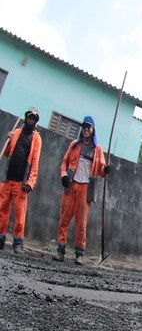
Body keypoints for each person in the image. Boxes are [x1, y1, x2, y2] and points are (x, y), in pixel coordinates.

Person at [52, 116, 110, 264]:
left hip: (86, 188)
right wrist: (64, 176)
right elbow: (64, 162)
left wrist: (106, 170)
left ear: (93, 130)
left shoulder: (97, 149)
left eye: (88, 127)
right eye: (84, 127)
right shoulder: (74, 145)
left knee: (81, 223)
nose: (85, 130)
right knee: (64, 218)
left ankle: (79, 254)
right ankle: (60, 250)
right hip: (71, 185)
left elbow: (102, 170)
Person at [0, 107, 43, 253]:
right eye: (29, 117)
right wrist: (9, 139)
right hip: (8, 179)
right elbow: (7, 153)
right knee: (2, 210)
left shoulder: (36, 138)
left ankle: (18, 243)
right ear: (26, 118)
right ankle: (0, 238)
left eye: (33, 118)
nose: (30, 120)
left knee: (19, 214)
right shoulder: (17, 132)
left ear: (35, 121)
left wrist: (30, 182)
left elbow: (35, 162)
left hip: (21, 182)